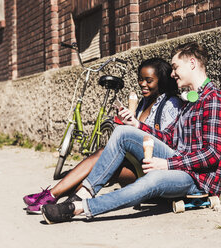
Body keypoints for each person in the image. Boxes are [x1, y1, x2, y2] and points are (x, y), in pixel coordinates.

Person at [40, 41, 221, 224]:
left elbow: (212, 155)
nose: (172, 74)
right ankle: (84, 193)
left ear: (192, 63)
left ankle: (78, 208)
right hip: (179, 162)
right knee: (124, 131)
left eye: (175, 67)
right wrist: (137, 125)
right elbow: (170, 138)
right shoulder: (190, 100)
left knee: (152, 179)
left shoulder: (214, 100)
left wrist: (167, 164)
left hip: (197, 180)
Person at [23, 58, 183, 214]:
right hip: (136, 164)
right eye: (140, 79)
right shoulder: (144, 102)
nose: (142, 84)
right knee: (103, 160)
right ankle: (61, 200)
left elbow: (168, 140)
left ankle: (52, 195)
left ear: (162, 82)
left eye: (149, 80)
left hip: (156, 169)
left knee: (101, 155)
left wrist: (137, 126)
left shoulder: (171, 103)